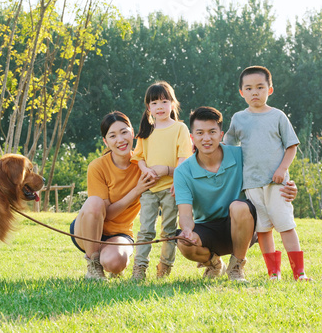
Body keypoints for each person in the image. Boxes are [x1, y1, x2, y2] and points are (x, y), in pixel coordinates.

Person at [174, 106, 297, 282]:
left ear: (221, 134)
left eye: (212, 132)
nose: (206, 138)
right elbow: (185, 213)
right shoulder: (183, 171)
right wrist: (186, 230)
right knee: (184, 244)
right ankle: (215, 263)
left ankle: (236, 266)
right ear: (192, 137)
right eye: (200, 133)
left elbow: (268, 173)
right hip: (208, 228)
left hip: (242, 225)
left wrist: (288, 185)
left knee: (238, 206)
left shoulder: (241, 155)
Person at [223, 66, 310, 281]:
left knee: (285, 225)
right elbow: (227, 145)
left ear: (270, 89)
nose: (255, 92)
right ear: (241, 92)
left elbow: (291, 146)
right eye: (249, 88)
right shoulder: (238, 118)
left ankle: (299, 272)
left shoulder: (278, 116)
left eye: (260, 87)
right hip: (251, 185)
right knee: (263, 230)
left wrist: (282, 169)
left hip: (277, 183)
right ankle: (274, 273)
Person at [70, 111, 171, 280]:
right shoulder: (97, 167)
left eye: (124, 132)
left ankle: (107, 257)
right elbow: (106, 214)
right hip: (87, 229)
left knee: (115, 263)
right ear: (106, 141)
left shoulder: (144, 165)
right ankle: (93, 265)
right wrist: (137, 190)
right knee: (95, 202)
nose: (120, 140)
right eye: (113, 135)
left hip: (119, 234)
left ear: (133, 133)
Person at [130, 82, 193, 280]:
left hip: (171, 189)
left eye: (164, 101)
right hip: (149, 188)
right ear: (148, 107)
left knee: (168, 230)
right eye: (154, 102)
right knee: (145, 230)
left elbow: (184, 157)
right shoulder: (146, 131)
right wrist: (145, 170)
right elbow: (138, 157)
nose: (160, 106)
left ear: (173, 104)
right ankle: (139, 268)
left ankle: (164, 267)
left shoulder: (180, 128)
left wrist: (176, 179)